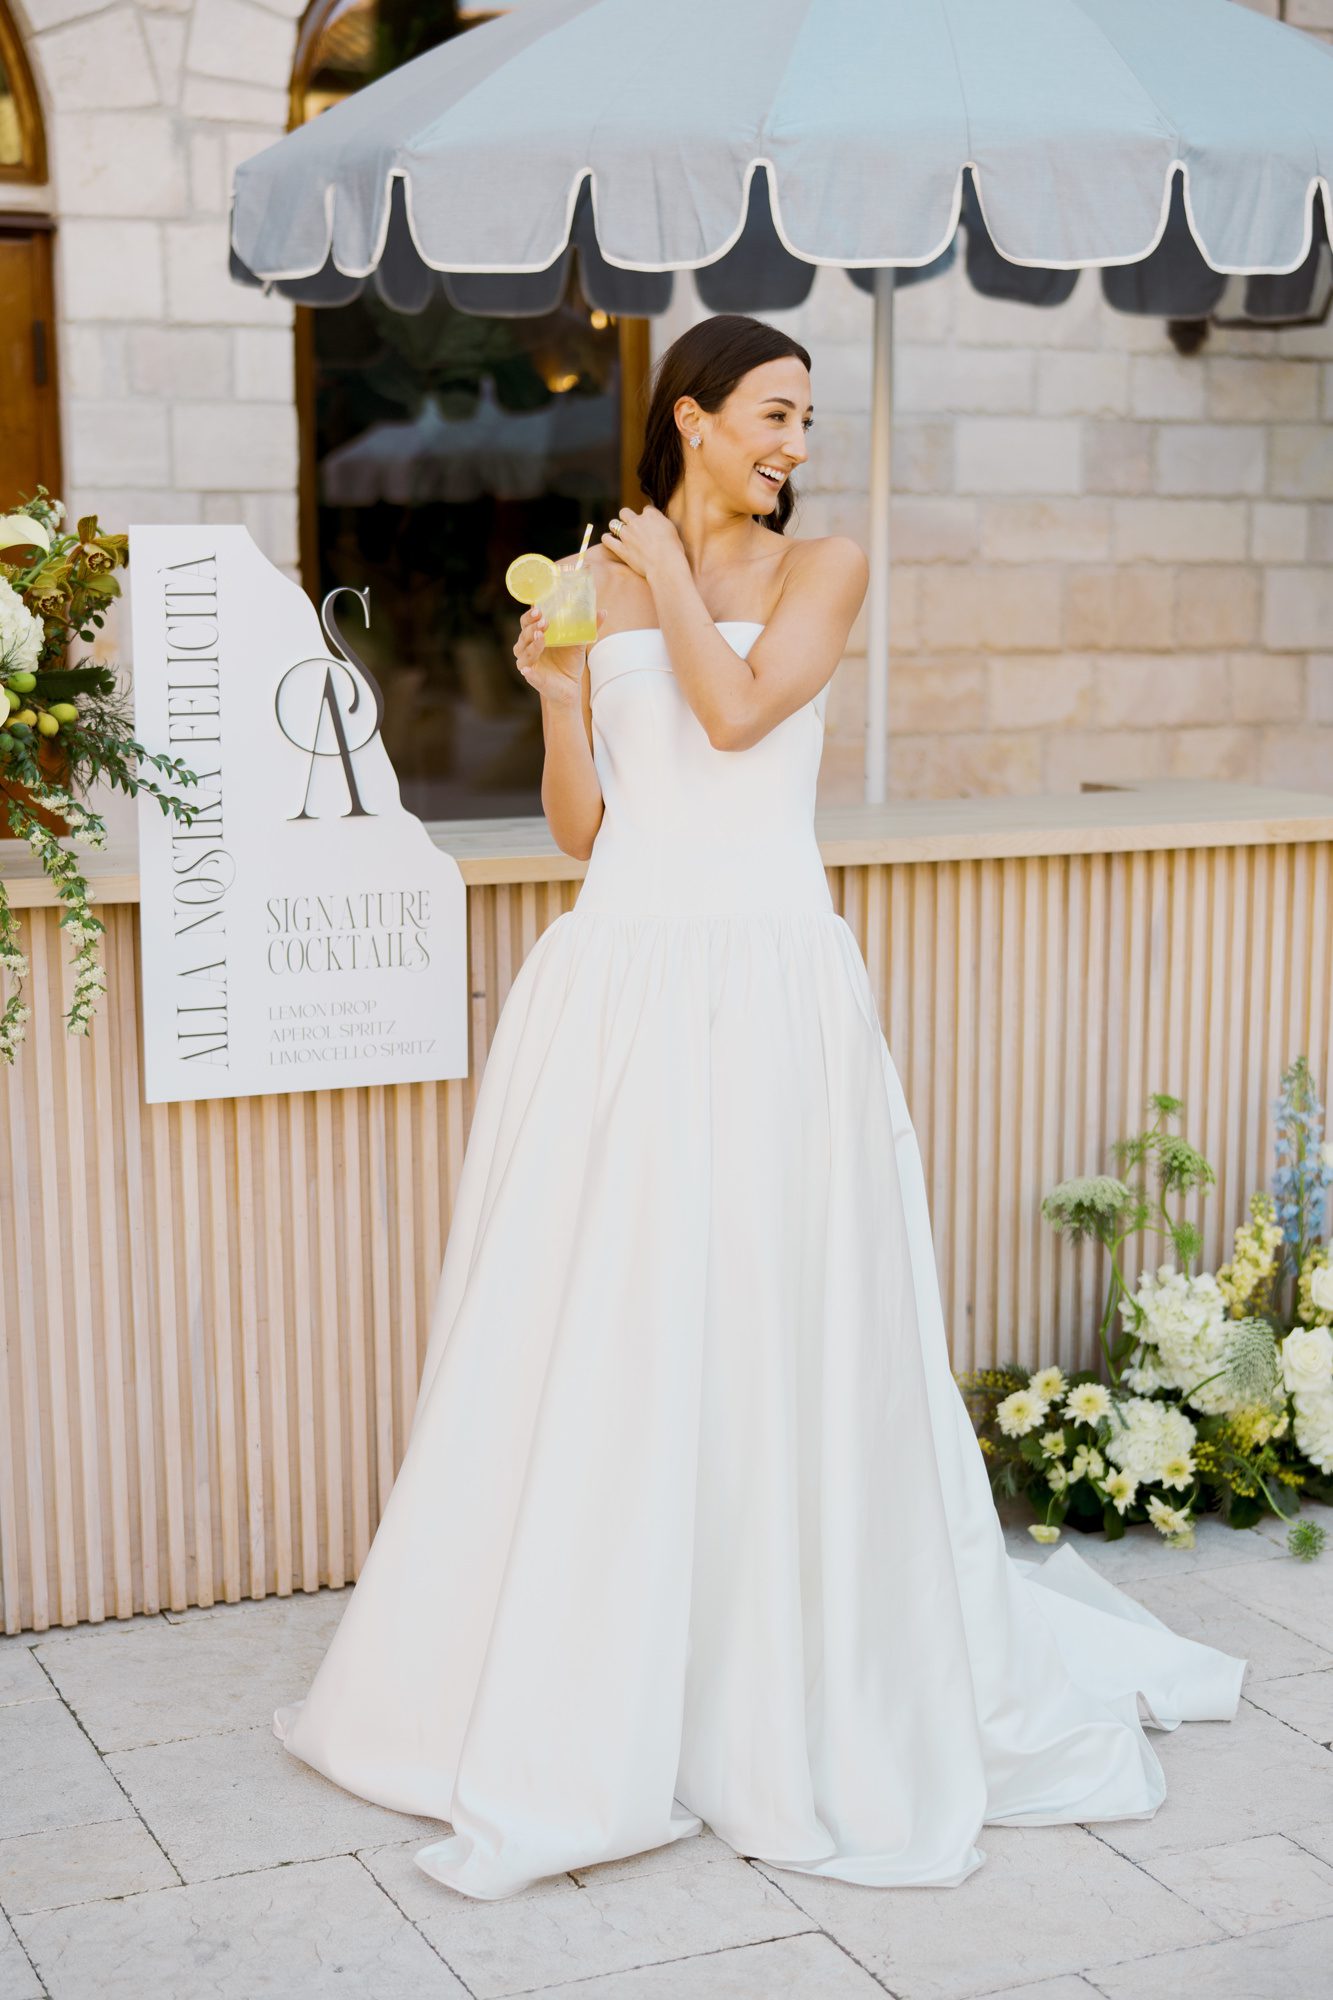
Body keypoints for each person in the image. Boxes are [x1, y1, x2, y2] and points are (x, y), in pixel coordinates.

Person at [273, 313, 1245, 1902]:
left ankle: (774, 1673)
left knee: (777, 1317)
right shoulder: (603, 577)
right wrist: (559, 694)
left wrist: (656, 587)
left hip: (774, 983)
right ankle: (598, 1670)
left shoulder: (824, 568)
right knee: (612, 1324)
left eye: (806, 415)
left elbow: (739, 721)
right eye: (774, 413)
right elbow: (588, 829)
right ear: (693, 416)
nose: (796, 440)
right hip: (624, 978)